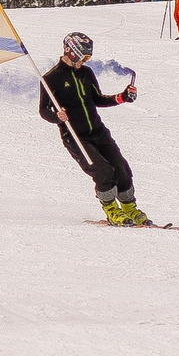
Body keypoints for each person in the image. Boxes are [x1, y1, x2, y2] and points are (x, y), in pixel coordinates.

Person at [39, 31, 150, 225]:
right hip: (75, 136)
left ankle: (130, 208)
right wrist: (57, 117)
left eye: (88, 57)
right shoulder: (51, 79)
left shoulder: (86, 73)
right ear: (70, 51)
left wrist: (122, 97)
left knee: (121, 168)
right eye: (83, 56)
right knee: (103, 171)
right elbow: (43, 110)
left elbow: (97, 99)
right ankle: (111, 210)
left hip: (98, 131)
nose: (85, 60)